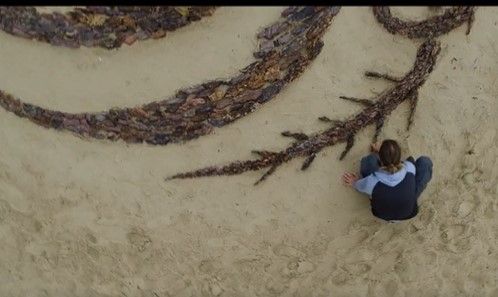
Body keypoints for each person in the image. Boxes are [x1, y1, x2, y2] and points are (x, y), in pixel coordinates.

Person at [342, 139, 433, 222]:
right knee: (424, 162)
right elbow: (403, 165)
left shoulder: (372, 180)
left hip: (383, 215)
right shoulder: (409, 167)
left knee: (369, 161)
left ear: (380, 159)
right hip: (408, 212)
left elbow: (358, 186)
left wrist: (354, 182)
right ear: (399, 156)